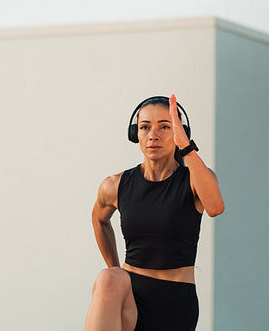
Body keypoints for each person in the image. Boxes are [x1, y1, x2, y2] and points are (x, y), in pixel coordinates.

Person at [84, 95, 224, 331]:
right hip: (131, 298)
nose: (153, 135)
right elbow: (99, 219)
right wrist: (116, 268)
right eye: (145, 127)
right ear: (135, 134)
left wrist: (186, 147)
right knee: (108, 278)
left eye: (165, 127)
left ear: (179, 133)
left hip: (175, 303)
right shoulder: (115, 185)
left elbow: (215, 207)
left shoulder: (193, 180)